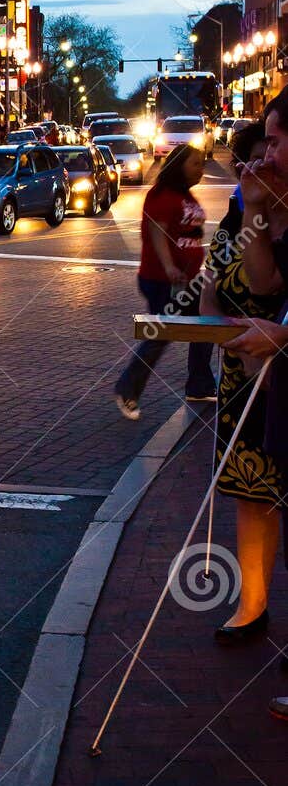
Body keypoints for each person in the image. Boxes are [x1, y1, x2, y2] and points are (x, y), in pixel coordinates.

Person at [197, 121, 283, 645]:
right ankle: (252, 605)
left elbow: (263, 283)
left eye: (269, 155)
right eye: (251, 160)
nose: (257, 169)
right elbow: (211, 293)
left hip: (280, 371)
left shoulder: (279, 226)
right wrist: (221, 336)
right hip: (239, 375)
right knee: (251, 494)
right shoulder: (233, 221)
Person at [220, 90, 288, 716]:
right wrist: (254, 214)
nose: (266, 153)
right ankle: (253, 602)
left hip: (276, 360)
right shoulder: (261, 206)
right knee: (256, 494)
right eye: (263, 142)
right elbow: (250, 281)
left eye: (275, 140)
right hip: (257, 373)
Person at [113, 144, 216, 419]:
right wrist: (170, 266)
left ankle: (199, 384)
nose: (201, 169)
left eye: (202, 163)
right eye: (195, 163)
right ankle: (127, 389)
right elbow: (157, 233)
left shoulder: (185, 195)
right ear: (179, 165)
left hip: (188, 281)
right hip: (163, 281)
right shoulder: (161, 196)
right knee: (161, 334)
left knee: (206, 326)